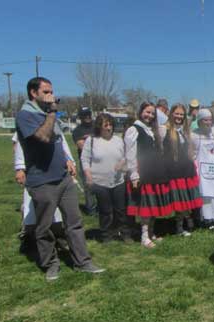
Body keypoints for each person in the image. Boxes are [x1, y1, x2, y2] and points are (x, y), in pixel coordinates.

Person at [16, 77, 104, 280]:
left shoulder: (47, 115)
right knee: (44, 227)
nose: (51, 95)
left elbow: (58, 140)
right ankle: (51, 264)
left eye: (51, 91)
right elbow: (44, 137)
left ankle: (83, 262)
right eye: (46, 92)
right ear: (33, 93)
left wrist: (68, 160)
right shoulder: (25, 115)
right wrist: (53, 112)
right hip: (42, 181)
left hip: (63, 178)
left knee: (74, 222)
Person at [125, 102, 170, 247]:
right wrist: (134, 174)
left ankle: (151, 232)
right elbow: (130, 154)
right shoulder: (134, 129)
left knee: (153, 205)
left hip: (154, 171)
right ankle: (144, 236)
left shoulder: (153, 130)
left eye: (152, 113)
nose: (149, 116)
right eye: (147, 112)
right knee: (145, 206)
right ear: (140, 112)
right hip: (142, 171)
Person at [81, 113, 131, 243]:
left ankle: (124, 233)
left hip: (118, 181)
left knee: (121, 209)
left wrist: (123, 162)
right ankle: (106, 235)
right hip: (99, 182)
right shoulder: (91, 141)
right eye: (105, 125)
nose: (109, 128)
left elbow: (127, 155)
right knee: (105, 210)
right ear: (99, 127)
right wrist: (88, 175)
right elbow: (85, 160)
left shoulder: (118, 140)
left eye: (110, 125)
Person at [163, 103, 203, 235]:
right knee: (180, 201)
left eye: (181, 114)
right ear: (171, 114)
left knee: (187, 199)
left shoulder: (185, 131)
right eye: (177, 113)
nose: (179, 116)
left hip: (187, 169)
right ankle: (180, 227)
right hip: (175, 170)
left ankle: (188, 221)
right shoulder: (165, 130)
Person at [192, 109, 214, 228]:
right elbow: (192, 153)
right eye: (206, 120)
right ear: (200, 121)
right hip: (202, 168)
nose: (208, 122)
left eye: (210, 120)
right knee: (205, 195)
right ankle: (205, 219)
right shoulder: (194, 135)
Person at [71, 107, 97, 215]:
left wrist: (89, 140)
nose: (87, 117)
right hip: (86, 161)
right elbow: (81, 146)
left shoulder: (97, 127)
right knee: (89, 185)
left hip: (100, 160)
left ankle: (103, 207)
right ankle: (91, 209)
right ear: (80, 117)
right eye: (84, 115)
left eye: (88, 114)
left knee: (102, 185)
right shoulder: (77, 131)